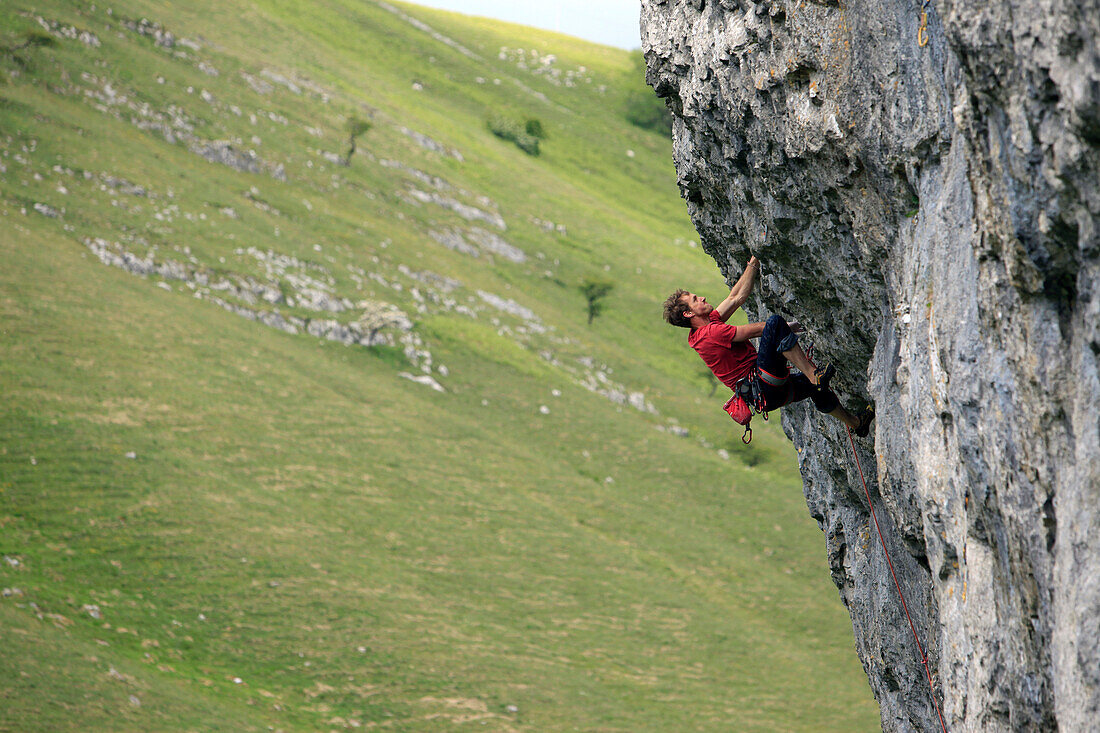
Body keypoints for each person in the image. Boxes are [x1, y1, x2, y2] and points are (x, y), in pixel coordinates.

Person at [662, 256, 874, 436]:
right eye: (695, 299)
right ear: (689, 313)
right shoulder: (711, 333)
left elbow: (736, 297)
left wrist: (754, 261)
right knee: (774, 323)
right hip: (763, 383)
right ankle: (813, 374)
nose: (703, 297)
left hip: (765, 396)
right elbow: (757, 330)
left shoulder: (704, 329)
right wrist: (789, 327)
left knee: (815, 390)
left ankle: (857, 424)